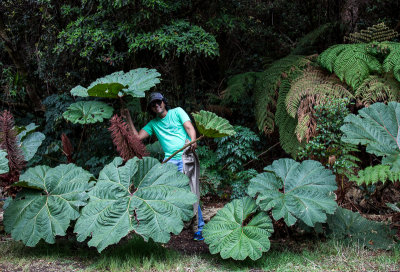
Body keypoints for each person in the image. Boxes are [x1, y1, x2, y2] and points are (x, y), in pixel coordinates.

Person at [130, 92, 205, 241]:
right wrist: (127, 118)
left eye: (159, 102)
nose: (156, 105)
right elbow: (137, 139)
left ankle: (199, 228)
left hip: (185, 157)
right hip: (169, 162)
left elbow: (189, 127)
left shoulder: (177, 112)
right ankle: (172, 226)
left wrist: (193, 141)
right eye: (153, 104)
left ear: (164, 102)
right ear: (151, 108)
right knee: (167, 195)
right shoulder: (153, 124)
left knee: (191, 192)